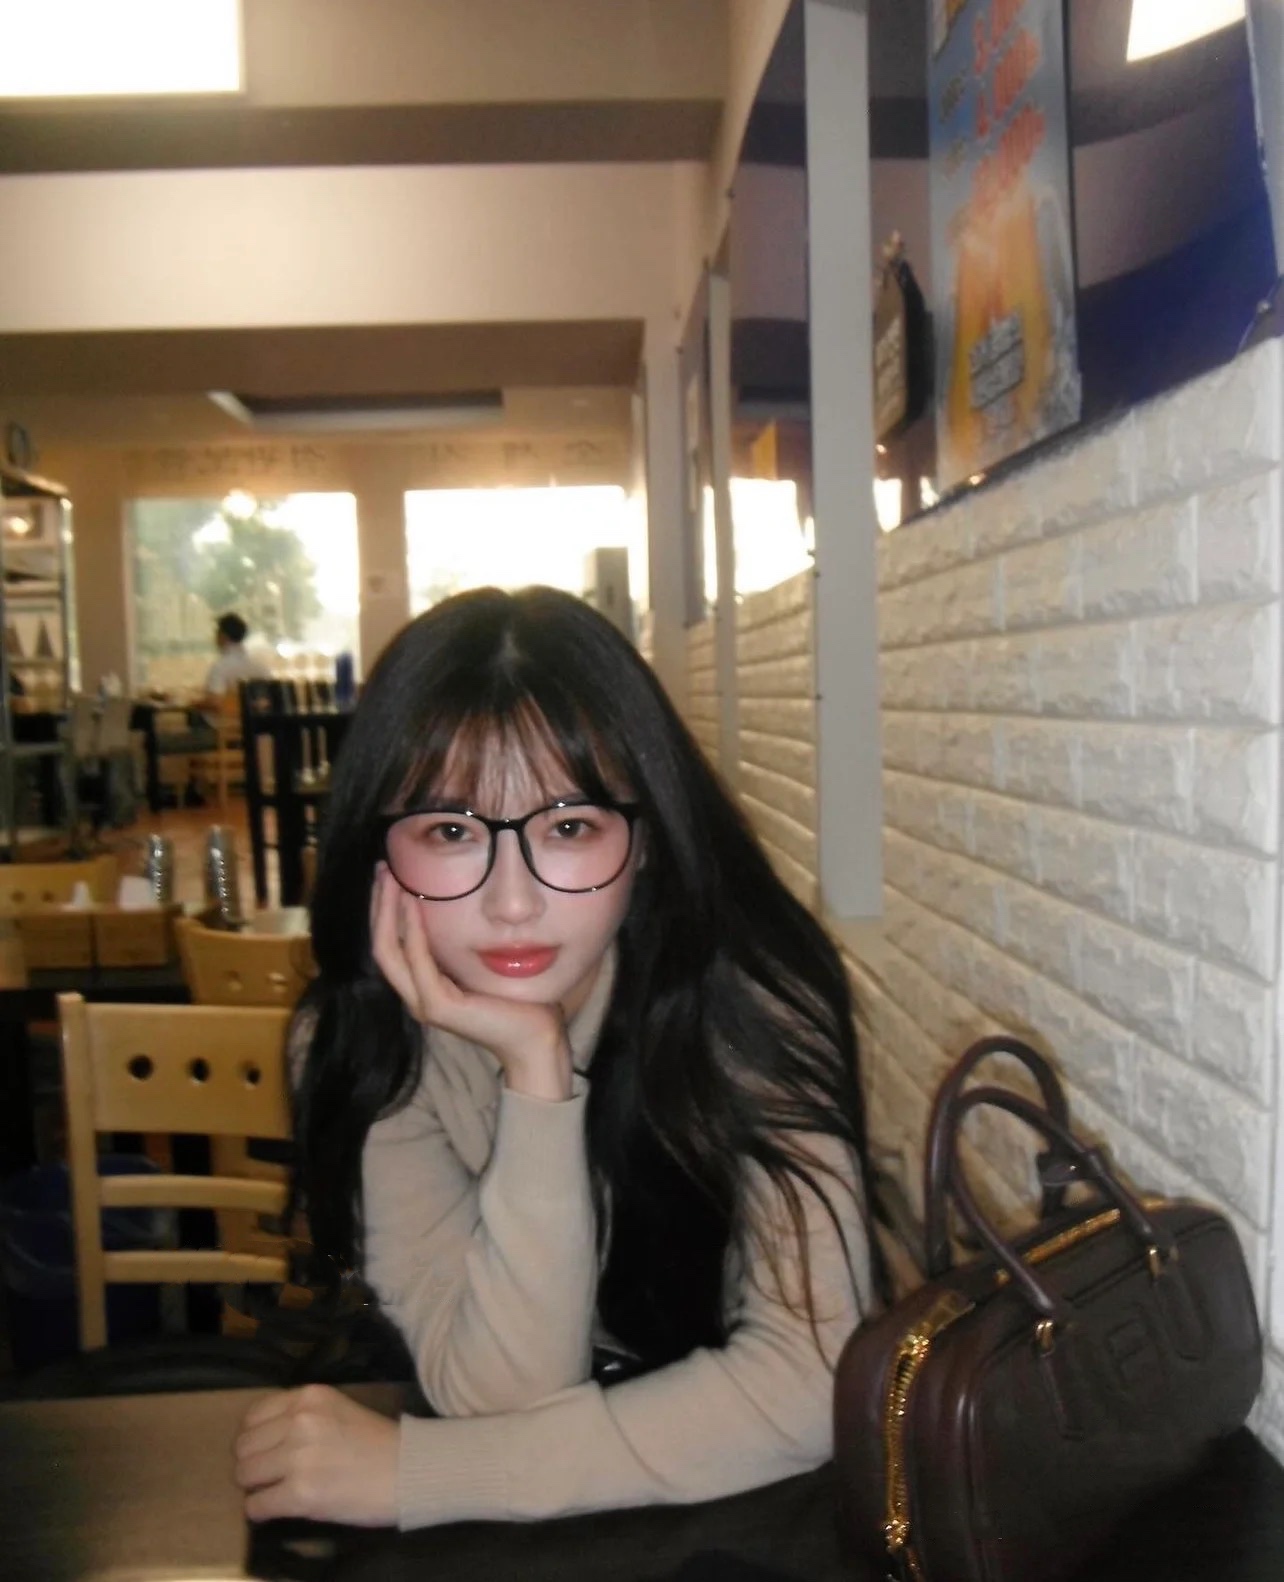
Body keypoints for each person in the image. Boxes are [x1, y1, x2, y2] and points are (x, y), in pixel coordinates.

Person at [233, 585, 885, 1531]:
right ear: (378, 851)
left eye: (570, 827)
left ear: (646, 840)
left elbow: (813, 1380)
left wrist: (423, 1477)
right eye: (452, 832)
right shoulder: (364, 1046)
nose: (513, 904)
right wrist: (535, 1077)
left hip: (739, 1519)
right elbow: (498, 1396)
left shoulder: (749, 1007)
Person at [202, 612, 270, 701]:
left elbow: (215, 701)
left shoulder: (220, 667)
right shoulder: (261, 666)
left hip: (228, 710)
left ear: (223, 636)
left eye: (216, 633)